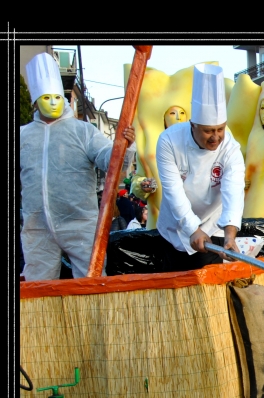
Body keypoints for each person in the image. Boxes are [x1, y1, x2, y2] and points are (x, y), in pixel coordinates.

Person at [20, 52, 136, 281]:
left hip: (80, 224)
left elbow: (109, 160)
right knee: (39, 290)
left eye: (56, 96)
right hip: (36, 227)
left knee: (90, 285)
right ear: (35, 100)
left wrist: (123, 146)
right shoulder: (22, 136)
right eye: (46, 97)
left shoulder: (83, 131)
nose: (53, 102)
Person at [154, 64, 245, 270]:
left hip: (212, 228)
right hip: (174, 228)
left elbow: (234, 189)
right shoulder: (169, 141)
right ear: (193, 125)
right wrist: (192, 229)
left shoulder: (230, 148)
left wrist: (230, 234)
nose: (216, 137)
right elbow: (173, 191)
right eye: (208, 131)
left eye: (220, 129)